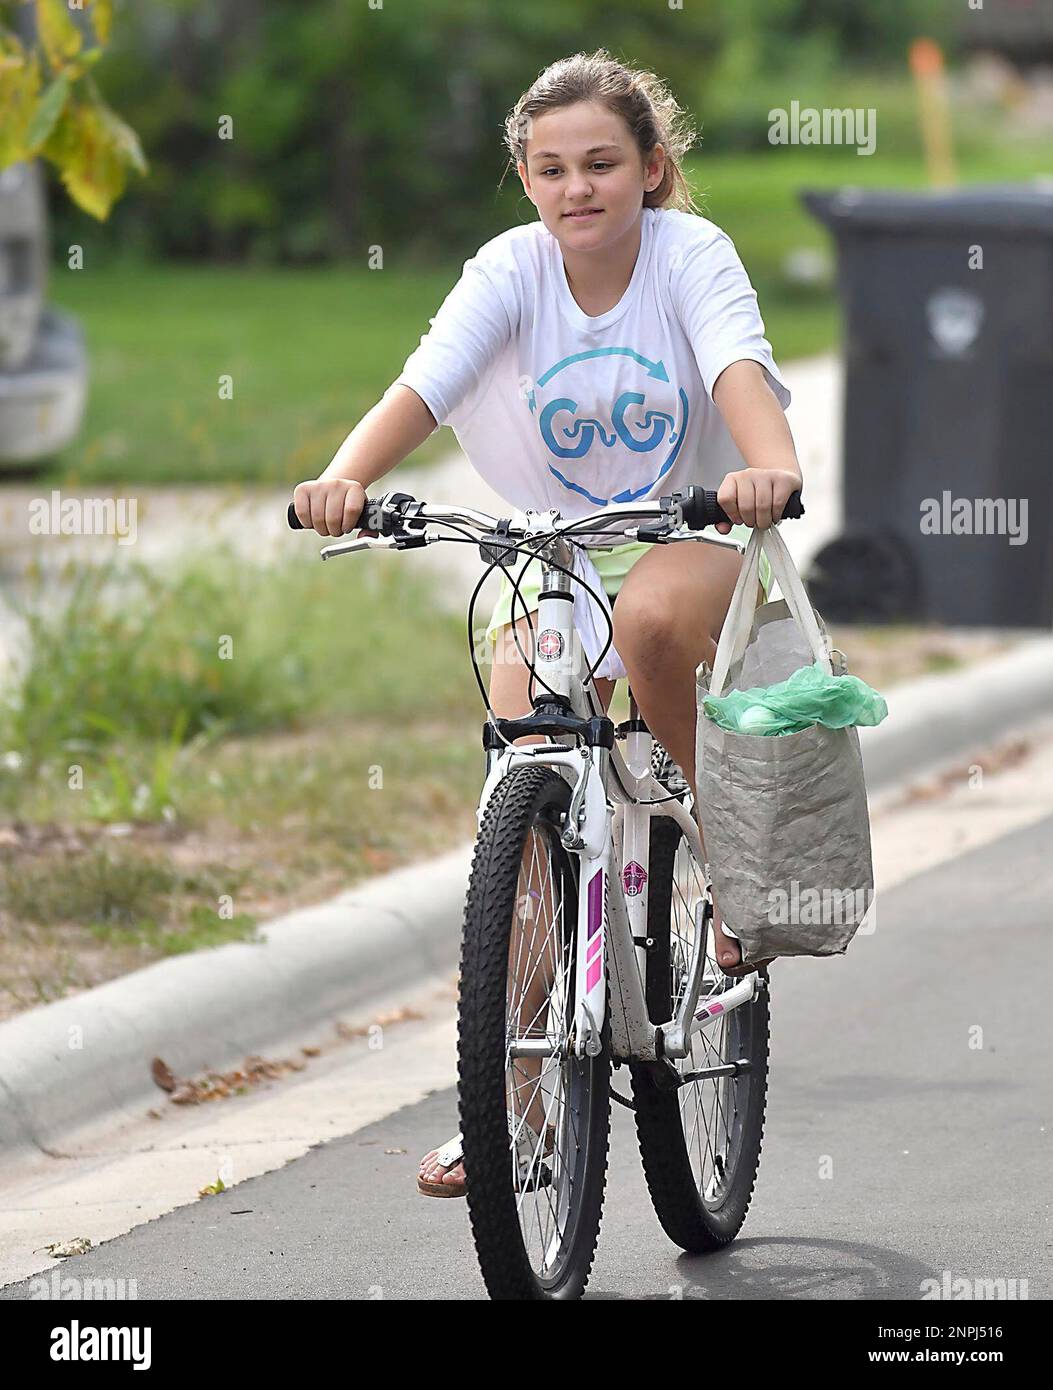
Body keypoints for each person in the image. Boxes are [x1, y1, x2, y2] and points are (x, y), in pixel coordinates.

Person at [291, 49, 804, 1199]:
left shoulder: (690, 257)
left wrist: (769, 470)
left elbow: (736, 369)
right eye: (552, 168)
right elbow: (423, 384)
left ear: (652, 168)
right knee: (519, 816)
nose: (578, 188)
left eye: (603, 164)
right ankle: (512, 1113)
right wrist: (342, 478)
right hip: (551, 553)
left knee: (656, 618)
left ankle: (727, 860)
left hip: (688, 532)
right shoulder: (509, 270)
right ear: (526, 179)